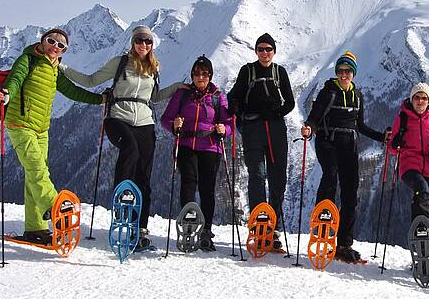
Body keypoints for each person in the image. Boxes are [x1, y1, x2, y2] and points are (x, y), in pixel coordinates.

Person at [59, 26, 186, 251]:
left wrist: (176, 87)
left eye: (147, 42)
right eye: (139, 40)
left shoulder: (154, 68)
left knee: (145, 178)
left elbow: (154, 97)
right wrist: (62, 66)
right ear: (133, 42)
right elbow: (90, 81)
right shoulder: (120, 63)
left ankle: (141, 230)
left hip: (145, 121)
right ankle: (123, 191)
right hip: (118, 117)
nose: (143, 45)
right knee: (130, 149)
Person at [0, 28, 104, 244]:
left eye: (61, 45)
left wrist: (99, 100)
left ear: (63, 51)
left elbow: (72, 91)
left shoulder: (54, 69)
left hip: (42, 129)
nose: (55, 46)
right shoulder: (28, 59)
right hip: (20, 124)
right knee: (36, 168)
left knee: (32, 176)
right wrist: (6, 94)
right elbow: (15, 80)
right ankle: (53, 208)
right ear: (43, 41)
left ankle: (35, 229)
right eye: (52, 41)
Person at [301, 51, 389, 263]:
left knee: (351, 193)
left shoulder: (357, 96)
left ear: (353, 73)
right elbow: (314, 117)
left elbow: (360, 125)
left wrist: (381, 137)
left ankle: (344, 243)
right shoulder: (327, 93)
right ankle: (322, 226)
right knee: (330, 177)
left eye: (347, 71)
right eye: (340, 71)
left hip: (349, 145)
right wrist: (309, 129)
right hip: (327, 142)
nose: (343, 74)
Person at [226, 33, 295, 250]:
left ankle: (272, 226)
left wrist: (276, 113)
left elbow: (290, 102)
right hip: (253, 127)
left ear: (274, 51)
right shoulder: (247, 71)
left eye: (268, 49)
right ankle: (259, 224)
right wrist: (235, 107)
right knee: (257, 174)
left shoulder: (279, 72)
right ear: (256, 51)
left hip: (275, 129)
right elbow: (234, 95)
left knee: (278, 178)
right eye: (261, 49)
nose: (265, 53)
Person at [160, 55, 232, 252]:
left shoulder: (218, 97)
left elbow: (229, 123)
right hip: (187, 144)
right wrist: (174, 126)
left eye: (205, 74)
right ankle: (188, 225)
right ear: (192, 75)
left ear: (210, 76)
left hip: (210, 146)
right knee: (189, 183)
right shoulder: (182, 95)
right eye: (197, 74)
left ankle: (206, 231)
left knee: (208, 188)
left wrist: (224, 130)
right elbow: (166, 118)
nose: (201, 77)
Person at [389, 82, 429, 230]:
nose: (420, 101)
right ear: (411, 99)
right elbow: (391, 148)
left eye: (424, 98)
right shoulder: (403, 118)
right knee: (422, 189)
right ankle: (419, 229)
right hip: (409, 165)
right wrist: (396, 143)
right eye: (417, 97)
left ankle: (428, 248)